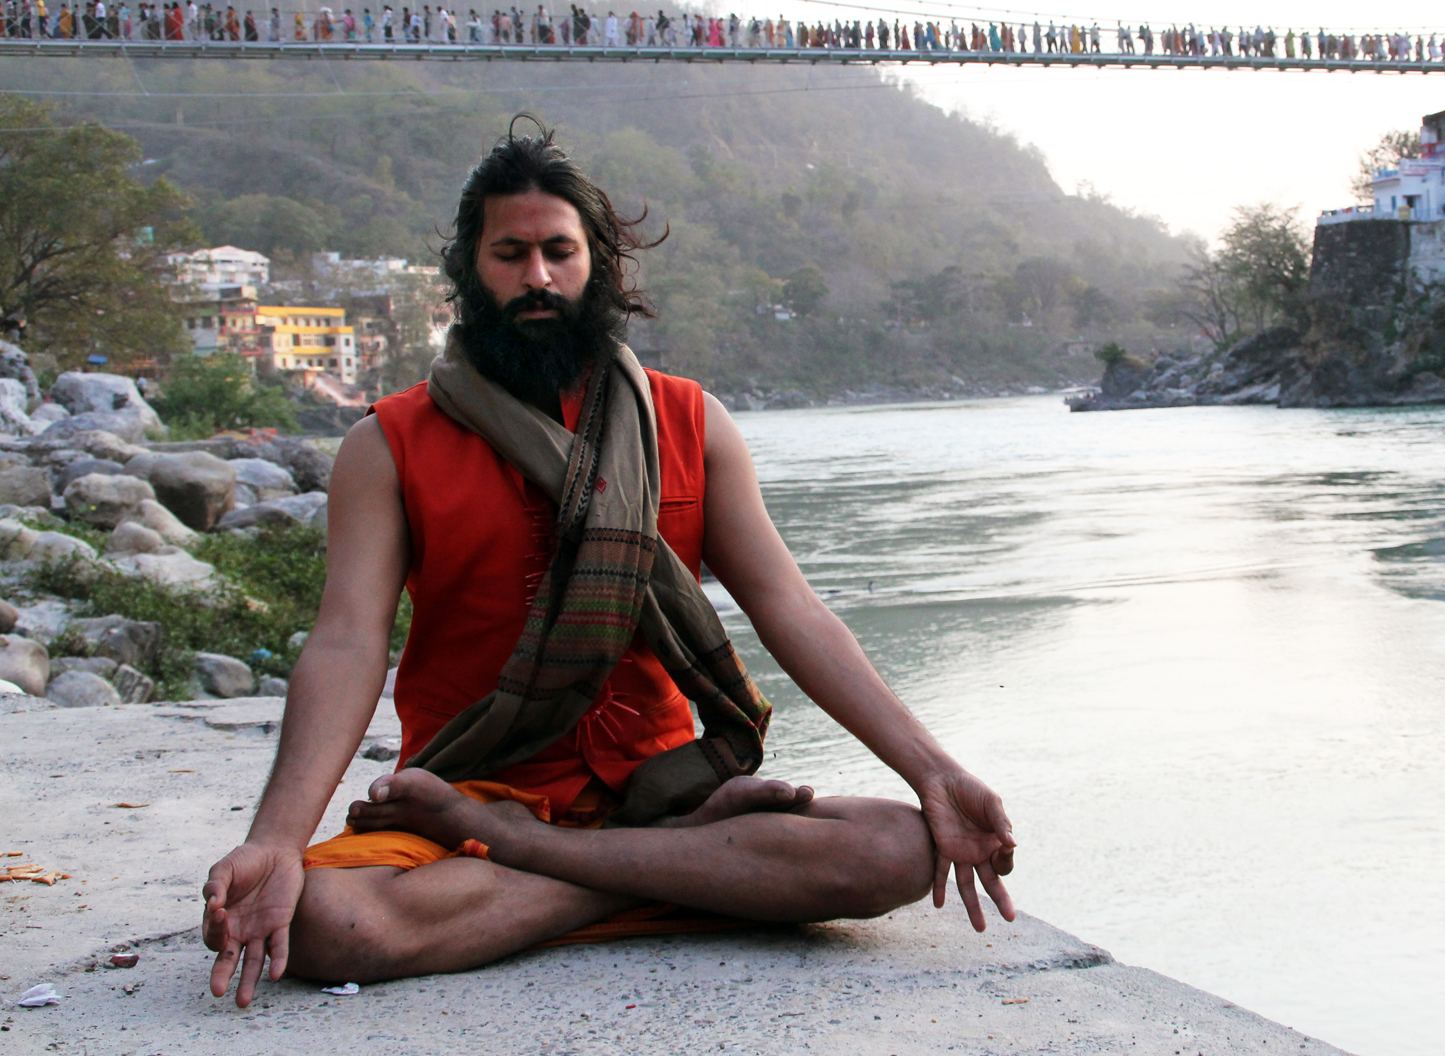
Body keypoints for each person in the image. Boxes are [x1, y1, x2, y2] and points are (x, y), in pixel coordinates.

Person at [200, 125, 1016, 1007]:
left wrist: (932, 773)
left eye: (560, 251)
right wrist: (278, 841)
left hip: (661, 787)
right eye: (510, 254)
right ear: (471, 272)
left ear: (601, 264)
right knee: (328, 922)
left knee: (895, 847)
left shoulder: (690, 422)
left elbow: (790, 608)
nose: (538, 276)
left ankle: (549, 866)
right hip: (476, 787)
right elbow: (348, 641)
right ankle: (680, 875)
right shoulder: (387, 444)